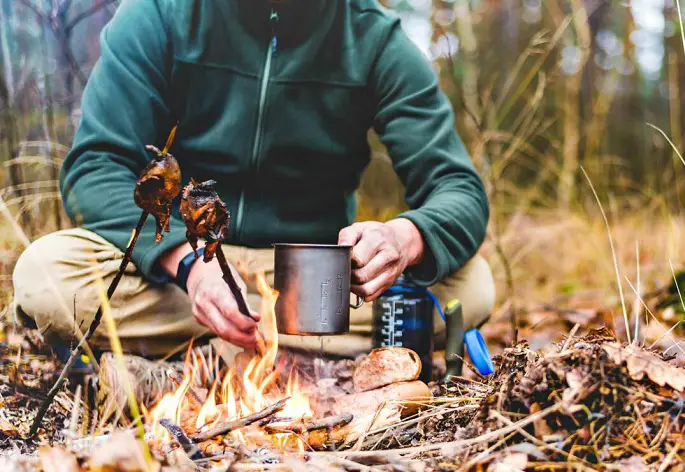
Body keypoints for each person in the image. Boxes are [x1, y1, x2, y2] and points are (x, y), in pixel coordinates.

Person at [12, 0, 495, 360]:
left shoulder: (375, 40)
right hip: (181, 271)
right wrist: (190, 265)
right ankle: (289, 356)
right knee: (45, 277)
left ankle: (204, 359)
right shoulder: (160, 14)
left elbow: (457, 187)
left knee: (471, 288)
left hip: (308, 282)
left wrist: (402, 238)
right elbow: (96, 166)